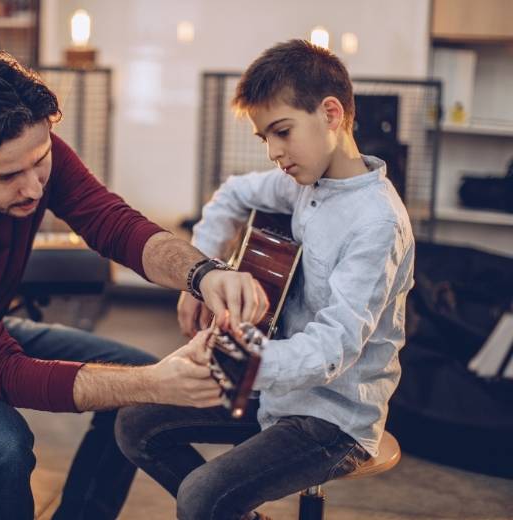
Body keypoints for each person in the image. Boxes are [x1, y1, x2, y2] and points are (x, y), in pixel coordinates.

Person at [0, 47, 269, 520]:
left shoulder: (34, 154)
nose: (34, 188)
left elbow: (112, 224)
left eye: (39, 162)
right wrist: (154, 384)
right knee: (2, 444)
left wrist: (203, 273)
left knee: (136, 376)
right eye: (8, 177)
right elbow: (3, 372)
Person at [115, 39, 415, 520]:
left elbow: (331, 350)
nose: (274, 152)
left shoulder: (377, 223)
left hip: (333, 418)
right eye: (264, 139)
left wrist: (240, 362)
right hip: (275, 390)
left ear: (332, 113)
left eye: (282, 131)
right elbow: (233, 194)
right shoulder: (304, 183)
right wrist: (205, 275)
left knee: (201, 496)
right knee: (134, 424)